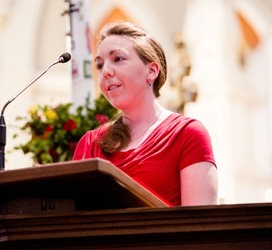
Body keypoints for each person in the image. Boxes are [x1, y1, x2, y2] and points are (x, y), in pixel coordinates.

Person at [73, 22, 217, 207]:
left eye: (117, 59)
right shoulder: (89, 144)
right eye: (100, 65)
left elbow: (200, 224)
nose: (105, 72)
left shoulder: (187, 134)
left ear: (152, 71)